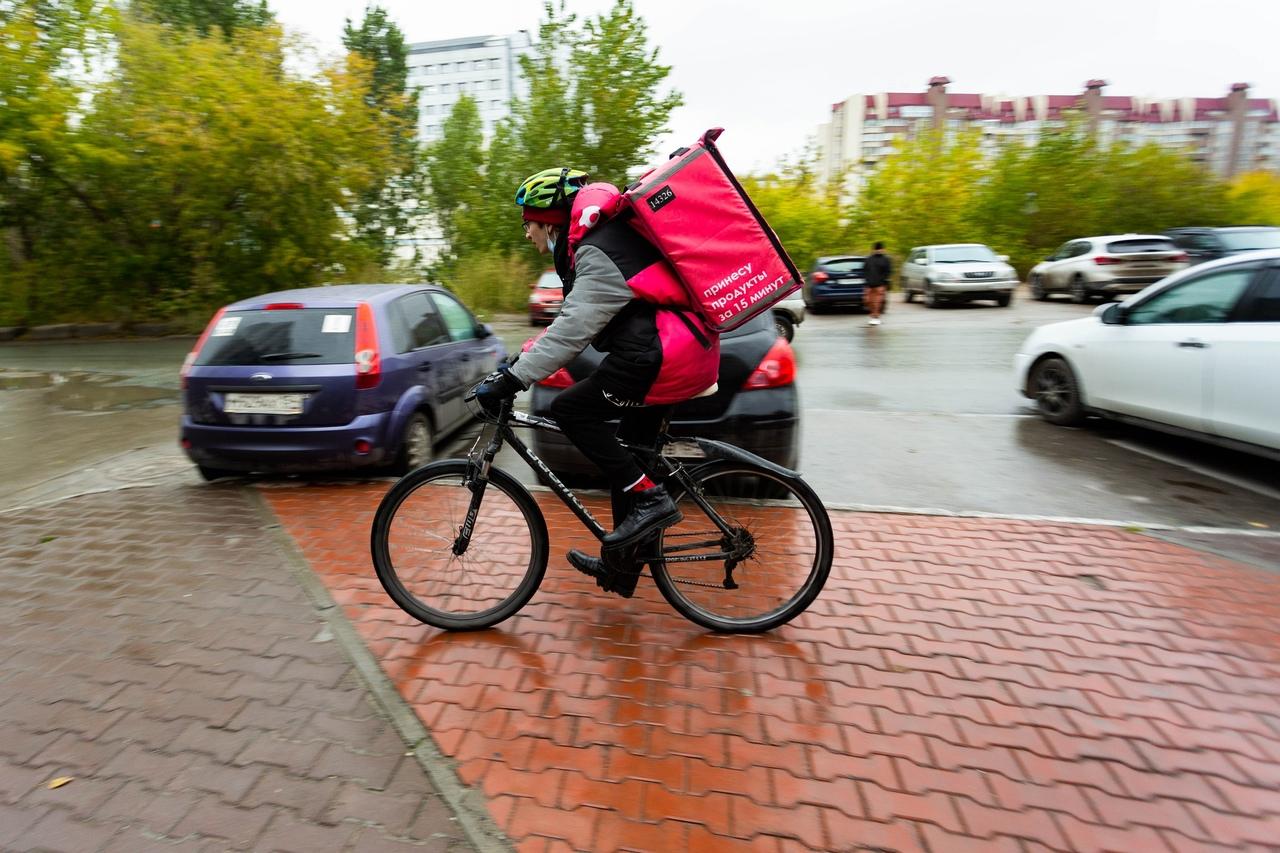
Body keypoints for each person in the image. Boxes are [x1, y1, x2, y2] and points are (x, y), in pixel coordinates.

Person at [473, 167, 720, 598]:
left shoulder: (597, 251)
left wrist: (513, 380)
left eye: (527, 224)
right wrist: (519, 361)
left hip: (661, 357)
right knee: (627, 455)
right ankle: (621, 568)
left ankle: (651, 501)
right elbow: (568, 322)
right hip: (672, 352)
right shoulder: (593, 247)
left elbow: (573, 332)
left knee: (569, 410)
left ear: (547, 219)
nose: (527, 235)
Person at [863, 241, 891, 326]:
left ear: (883, 249)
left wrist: (884, 282)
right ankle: (872, 315)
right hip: (869, 283)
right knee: (868, 301)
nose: (878, 250)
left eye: (880, 249)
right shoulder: (868, 259)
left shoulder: (886, 259)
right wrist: (866, 281)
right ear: (873, 250)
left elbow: (888, 271)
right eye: (877, 249)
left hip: (880, 284)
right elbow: (865, 270)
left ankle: (876, 317)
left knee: (877, 302)